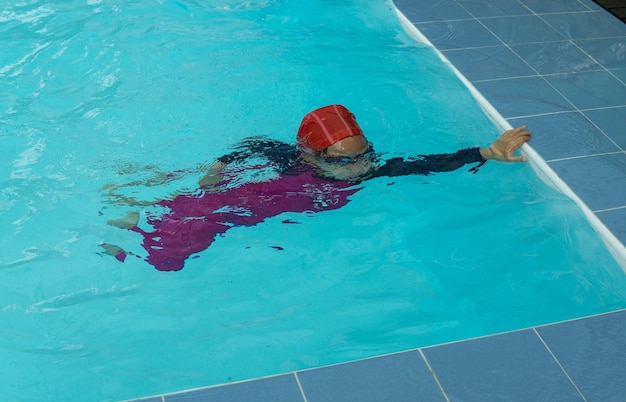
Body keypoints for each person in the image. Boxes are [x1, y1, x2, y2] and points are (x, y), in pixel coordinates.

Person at [102, 104, 531, 271]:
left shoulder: (369, 171)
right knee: (180, 235)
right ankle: (132, 228)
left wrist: (487, 152)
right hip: (245, 201)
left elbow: (428, 164)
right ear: (308, 156)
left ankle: (136, 227)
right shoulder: (287, 158)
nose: (360, 166)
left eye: (365, 154)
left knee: (173, 253)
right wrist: (218, 165)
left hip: (258, 214)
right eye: (343, 161)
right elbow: (253, 144)